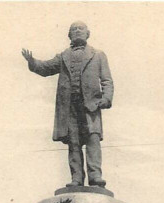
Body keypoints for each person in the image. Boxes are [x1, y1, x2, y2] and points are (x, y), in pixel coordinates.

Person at [22, 21, 113, 188]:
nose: (77, 31)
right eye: (74, 29)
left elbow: (106, 80)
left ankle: (95, 177)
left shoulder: (98, 55)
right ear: (69, 35)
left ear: (88, 33)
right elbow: (46, 68)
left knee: (93, 140)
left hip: (90, 106)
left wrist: (106, 98)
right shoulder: (63, 56)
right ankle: (77, 178)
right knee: (74, 142)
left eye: (81, 29)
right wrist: (32, 62)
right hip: (69, 107)